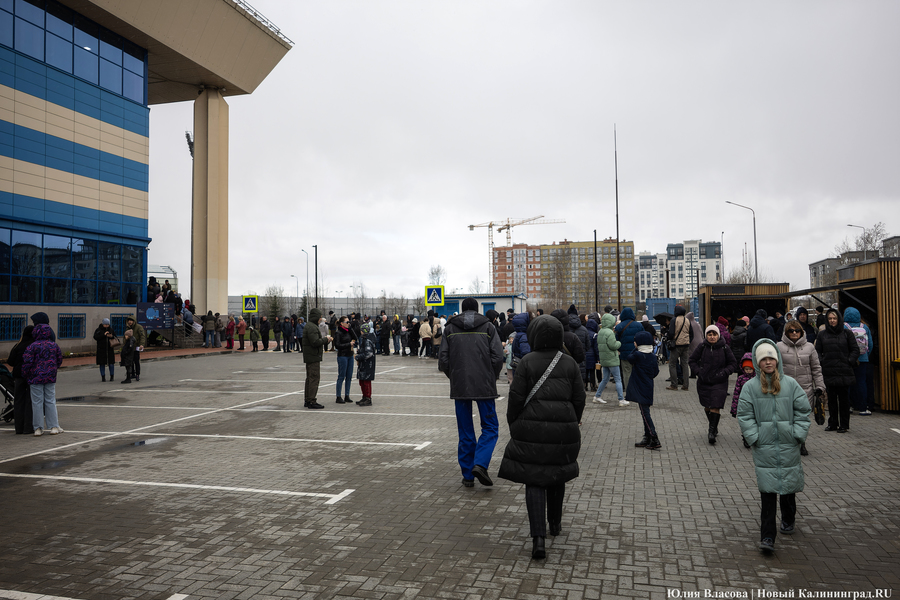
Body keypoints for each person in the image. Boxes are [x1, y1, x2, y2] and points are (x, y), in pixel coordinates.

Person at [498, 314, 585, 560]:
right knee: (556, 474)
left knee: (534, 479)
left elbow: (516, 396)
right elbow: (579, 398)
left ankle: (538, 538)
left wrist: (513, 423)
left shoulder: (527, 362)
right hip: (563, 430)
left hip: (530, 429)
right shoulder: (568, 363)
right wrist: (572, 420)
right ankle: (555, 524)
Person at [737, 339, 811, 554]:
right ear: (758, 362)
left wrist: (798, 435)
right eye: (763, 359)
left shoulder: (791, 384)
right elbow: (744, 415)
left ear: (776, 360)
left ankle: (789, 518)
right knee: (768, 492)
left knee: (788, 486)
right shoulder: (750, 387)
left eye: (771, 358)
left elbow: (803, 411)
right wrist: (754, 437)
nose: (768, 362)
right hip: (765, 446)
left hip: (789, 444)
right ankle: (767, 536)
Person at [438, 298, 504, 488]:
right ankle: (480, 464)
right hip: (484, 384)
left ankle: (468, 475)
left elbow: (443, 360)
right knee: (490, 427)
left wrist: (456, 376)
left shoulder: (450, 328)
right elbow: (498, 356)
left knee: (465, 430)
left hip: (460, 386)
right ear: (476, 310)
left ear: (462, 309)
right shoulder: (488, 327)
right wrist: (491, 376)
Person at [777, 320, 825, 456]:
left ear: (801, 332)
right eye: (791, 331)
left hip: (805, 389)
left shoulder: (809, 347)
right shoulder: (779, 347)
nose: (794, 333)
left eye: (796, 331)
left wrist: (820, 386)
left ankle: (801, 442)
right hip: (785, 389)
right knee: (787, 419)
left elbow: (816, 368)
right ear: (786, 332)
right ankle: (790, 442)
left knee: (802, 419)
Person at [689, 324, 737, 444]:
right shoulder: (702, 347)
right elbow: (692, 360)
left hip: (720, 382)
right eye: (709, 334)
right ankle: (714, 427)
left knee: (715, 405)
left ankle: (711, 432)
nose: (712, 337)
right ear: (706, 336)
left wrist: (724, 372)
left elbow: (732, 364)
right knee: (707, 405)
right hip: (704, 381)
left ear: (718, 335)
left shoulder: (725, 348)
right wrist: (698, 372)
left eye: (714, 334)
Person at [815, 308, 859, 432]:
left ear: (839, 319)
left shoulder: (847, 333)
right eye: (830, 318)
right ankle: (833, 423)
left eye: (834, 318)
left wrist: (849, 361)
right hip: (829, 371)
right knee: (832, 400)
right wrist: (822, 361)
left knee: (844, 400)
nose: (832, 321)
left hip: (844, 371)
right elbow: (817, 351)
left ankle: (844, 425)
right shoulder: (822, 334)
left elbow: (855, 350)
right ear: (827, 320)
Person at [23, 323, 63, 436]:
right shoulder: (54, 345)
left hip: (35, 377)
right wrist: (53, 369)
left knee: (37, 402)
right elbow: (59, 359)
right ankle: (54, 426)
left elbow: (27, 362)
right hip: (50, 376)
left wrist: (26, 374)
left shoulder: (32, 346)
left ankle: (38, 428)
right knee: (50, 400)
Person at [628, 331, 661, 450]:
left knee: (645, 413)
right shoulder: (652, 356)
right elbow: (656, 372)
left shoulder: (637, 355)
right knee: (644, 412)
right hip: (648, 386)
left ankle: (654, 437)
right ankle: (647, 437)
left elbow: (629, 358)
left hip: (640, 388)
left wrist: (635, 349)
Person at [843, 307, 874, 415]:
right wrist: (865, 356)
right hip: (863, 359)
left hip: (848, 359)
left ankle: (848, 407)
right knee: (861, 382)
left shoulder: (844, 326)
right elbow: (870, 344)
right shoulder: (865, 327)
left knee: (847, 383)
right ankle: (863, 408)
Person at [6, 325, 35, 434]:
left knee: (18, 401)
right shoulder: (33, 346)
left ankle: (18, 428)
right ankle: (28, 427)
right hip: (30, 375)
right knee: (29, 401)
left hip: (18, 376)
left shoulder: (18, 345)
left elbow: (10, 361)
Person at [593, 313, 625, 406]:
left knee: (605, 379)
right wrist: (619, 343)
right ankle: (621, 399)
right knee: (618, 379)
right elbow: (613, 346)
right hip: (612, 359)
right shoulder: (610, 332)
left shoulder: (601, 331)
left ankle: (597, 396)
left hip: (604, 359)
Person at [303, 308, 332, 409]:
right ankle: (311, 400)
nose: (321, 319)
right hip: (313, 356)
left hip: (311, 356)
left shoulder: (310, 326)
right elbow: (315, 342)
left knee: (310, 379)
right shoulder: (312, 327)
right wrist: (326, 339)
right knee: (314, 378)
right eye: (320, 317)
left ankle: (307, 400)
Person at [729, 353, 757, 448]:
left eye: (750, 369)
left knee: (755, 421)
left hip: (755, 404)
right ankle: (745, 436)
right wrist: (734, 408)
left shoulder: (757, 379)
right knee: (746, 422)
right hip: (744, 404)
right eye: (746, 369)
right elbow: (736, 393)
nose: (748, 371)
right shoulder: (741, 379)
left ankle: (753, 436)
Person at [614, 308, 643, 391]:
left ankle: (629, 390)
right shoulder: (639, 325)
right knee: (637, 372)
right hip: (637, 353)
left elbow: (616, 341)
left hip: (624, 354)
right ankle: (638, 389)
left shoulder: (619, 326)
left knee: (627, 372)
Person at [666, 306, 692, 391]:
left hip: (676, 346)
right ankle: (686, 385)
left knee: (672, 364)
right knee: (685, 365)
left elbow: (671, 333)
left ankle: (674, 385)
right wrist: (688, 341)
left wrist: (670, 338)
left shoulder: (674, 320)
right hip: (686, 345)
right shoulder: (687, 320)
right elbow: (691, 333)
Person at [334, 315, 356, 404]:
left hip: (350, 355)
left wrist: (350, 329)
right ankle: (338, 396)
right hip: (342, 356)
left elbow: (355, 337)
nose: (348, 323)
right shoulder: (338, 333)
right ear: (342, 323)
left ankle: (347, 395)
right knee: (341, 376)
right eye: (347, 322)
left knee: (349, 376)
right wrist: (348, 344)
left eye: (348, 322)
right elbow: (337, 346)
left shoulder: (348, 331)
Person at [355, 322, 376, 406]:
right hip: (363, 364)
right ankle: (364, 396)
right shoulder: (364, 340)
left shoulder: (367, 340)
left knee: (366, 382)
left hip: (368, 365)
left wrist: (358, 357)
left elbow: (369, 353)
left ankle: (368, 398)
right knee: (362, 381)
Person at [93, 318, 118, 382]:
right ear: (103, 324)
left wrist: (111, 336)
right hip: (101, 350)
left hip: (110, 349)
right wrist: (104, 335)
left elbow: (115, 337)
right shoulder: (98, 330)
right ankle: (103, 376)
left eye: (108, 324)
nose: (106, 326)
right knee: (102, 363)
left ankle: (112, 376)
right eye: (105, 324)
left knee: (111, 364)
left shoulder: (111, 329)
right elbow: (95, 337)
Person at [125, 315, 146, 381]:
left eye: (131, 321)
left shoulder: (138, 327)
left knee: (136, 361)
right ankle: (132, 373)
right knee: (130, 362)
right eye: (129, 321)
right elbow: (125, 337)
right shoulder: (127, 328)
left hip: (136, 347)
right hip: (129, 348)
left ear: (134, 321)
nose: (130, 322)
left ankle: (137, 374)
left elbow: (142, 336)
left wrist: (141, 344)